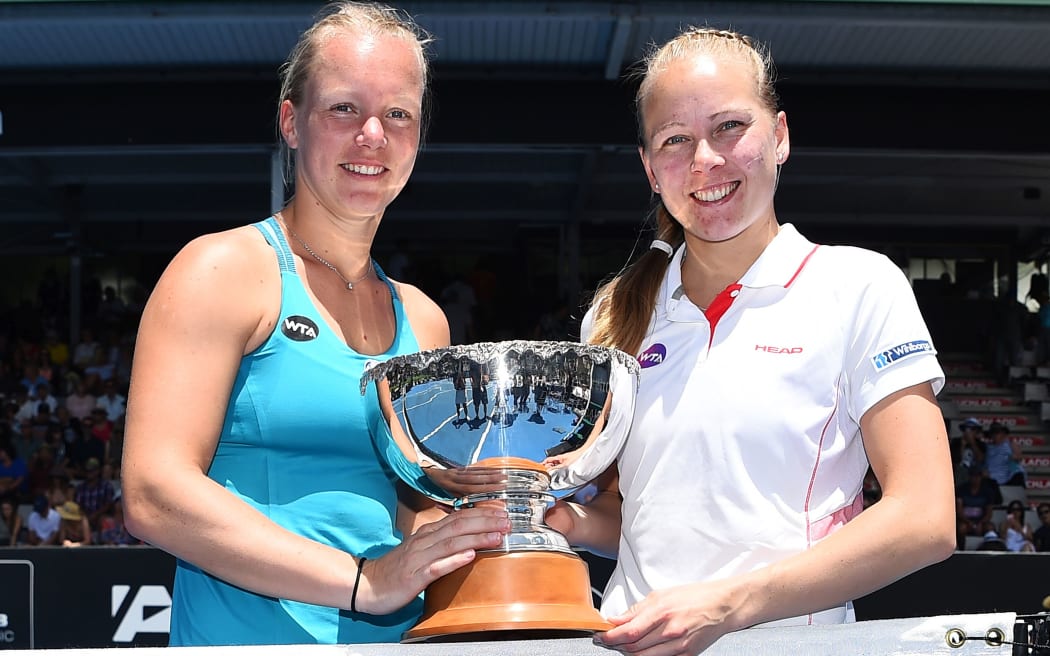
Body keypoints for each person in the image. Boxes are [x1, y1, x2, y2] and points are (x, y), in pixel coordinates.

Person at [546, 27, 955, 655]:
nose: (705, 160)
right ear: (650, 168)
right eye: (675, 139)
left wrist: (727, 605)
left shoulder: (859, 286)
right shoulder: (612, 314)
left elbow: (925, 518)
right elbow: (640, 514)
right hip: (631, 643)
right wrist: (559, 519)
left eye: (729, 126)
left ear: (780, 136)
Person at [120, 1, 509, 647]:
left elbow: (415, 512)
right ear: (291, 122)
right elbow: (154, 494)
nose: (372, 135)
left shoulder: (425, 319)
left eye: (398, 114)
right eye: (343, 108)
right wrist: (363, 582)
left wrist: (499, 522)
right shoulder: (223, 269)